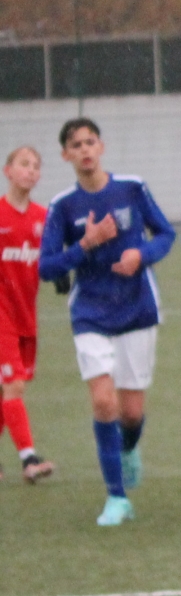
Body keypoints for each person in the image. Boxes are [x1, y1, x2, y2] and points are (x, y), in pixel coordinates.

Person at [38, 118, 174, 526]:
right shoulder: (63, 206)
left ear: (101, 146)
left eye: (90, 142)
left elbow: (165, 234)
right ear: (66, 155)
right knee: (103, 402)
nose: (85, 150)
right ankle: (116, 497)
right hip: (91, 312)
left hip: (137, 308)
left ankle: (128, 449)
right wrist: (86, 243)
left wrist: (141, 256)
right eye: (76, 145)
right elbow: (47, 267)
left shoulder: (131, 188)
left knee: (130, 413)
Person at [0, 147, 54, 484]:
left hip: (25, 314)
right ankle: (29, 459)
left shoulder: (43, 218)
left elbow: (52, 259)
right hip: (1, 314)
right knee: (14, 384)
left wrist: (60, 273)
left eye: (36, 166)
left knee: (9, 389)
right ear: (8, 171)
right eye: (24, 164)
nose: (30, 170)